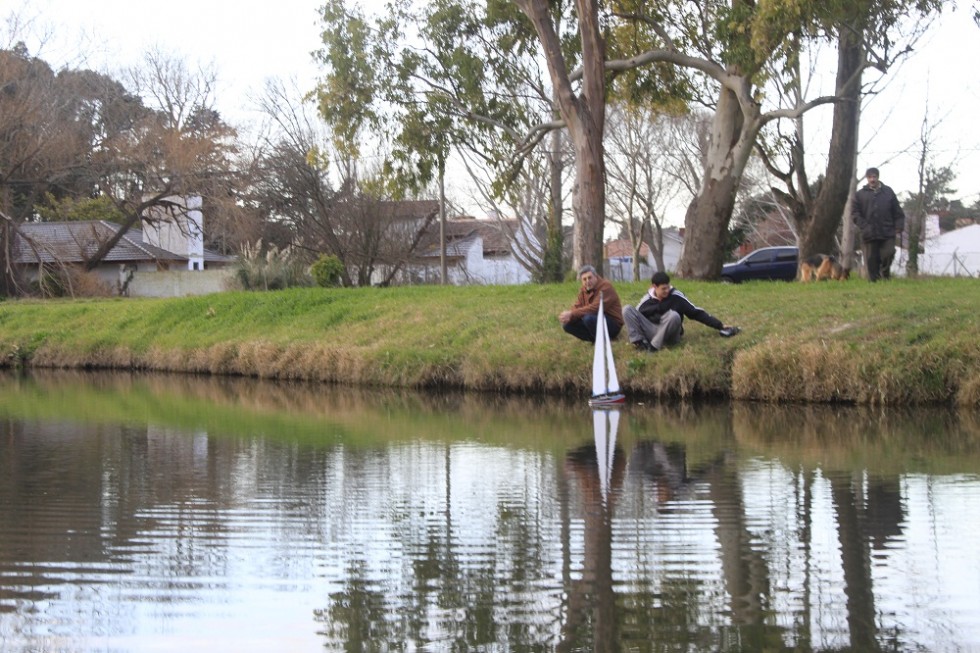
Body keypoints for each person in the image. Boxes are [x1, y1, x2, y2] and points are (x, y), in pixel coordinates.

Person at [624, 271, 739, 352]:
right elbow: (637, 317)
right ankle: (639, 343)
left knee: (674, 315)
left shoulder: (676, 296)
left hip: (671, 334)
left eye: (667, 287)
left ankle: (654, 348)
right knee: (627, 309)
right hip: (653, 330)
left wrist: (720, 325)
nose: (666, 291)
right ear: (654, 287)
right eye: (663, 289)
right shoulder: (646, 299)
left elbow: (696, 313)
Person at [851, 167, 905, 281]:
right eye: (870, 177)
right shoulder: (860, 195)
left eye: (874, 177)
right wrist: (864, 226)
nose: (872, 179)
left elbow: (897, 211)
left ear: (878, 177)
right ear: (867, 178)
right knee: (871, 259)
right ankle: (874, 281)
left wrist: (899, 226)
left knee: (889, 253)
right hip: (869, 232)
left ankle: (885, 274)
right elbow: (855, 213)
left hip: (887, 230)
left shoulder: (888, 192)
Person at [559, 265, 624, 343]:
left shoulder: (606, 287)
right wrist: (569, 317)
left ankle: (604, 339)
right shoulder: (584, 290)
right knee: (567, 326)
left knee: (588, 318)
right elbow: (577, 306)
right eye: (584, 279)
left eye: (590, 278)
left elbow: (595, 308)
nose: (587, 281)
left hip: (613, 324)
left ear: (595, 277)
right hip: (594, 320)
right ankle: (595, 339)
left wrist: (572, 313)